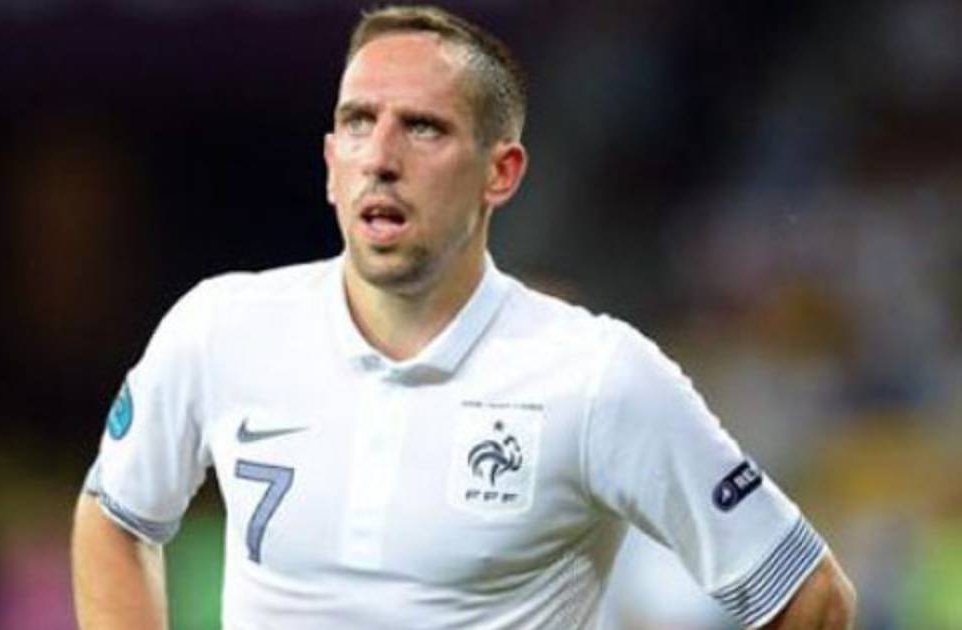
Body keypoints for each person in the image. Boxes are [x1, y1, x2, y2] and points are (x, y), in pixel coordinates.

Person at [71, 5, 856, 629]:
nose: (381, 157)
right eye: (358, 122)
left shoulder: (598, 377)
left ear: (500, 173)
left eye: (423, 128)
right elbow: (114, 518)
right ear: (331, 164)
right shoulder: (221, 329)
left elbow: (809, 595)